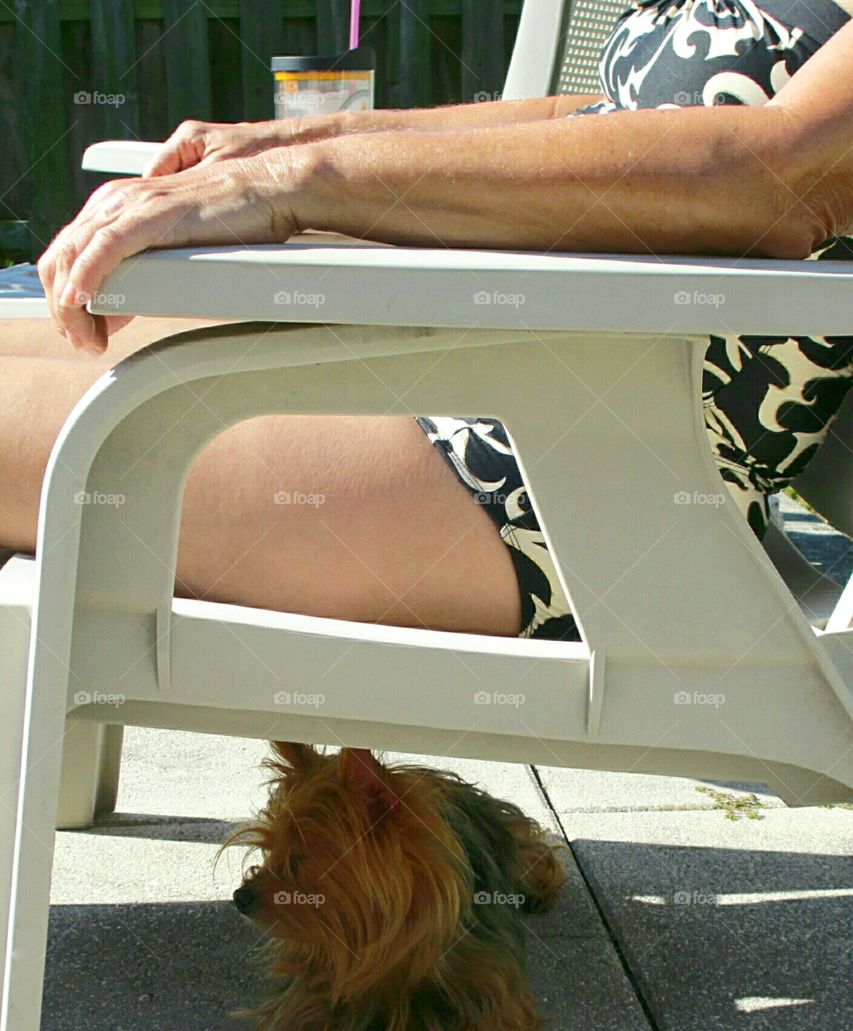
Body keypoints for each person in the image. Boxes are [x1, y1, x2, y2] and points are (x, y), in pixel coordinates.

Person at [1, 1, 851, 640]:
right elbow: (603, 120)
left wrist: (296, 183)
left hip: (575, 489)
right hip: (477, 371)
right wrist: (288, 145)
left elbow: (780, 178)